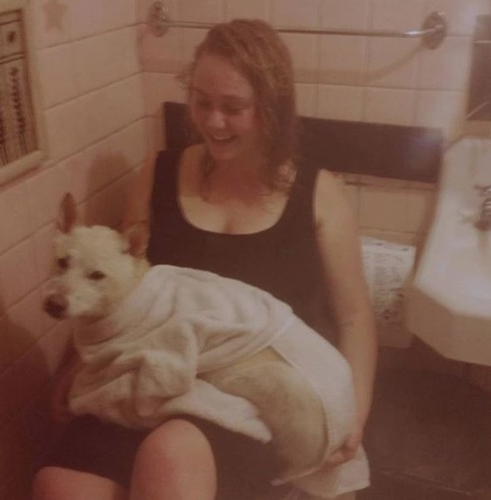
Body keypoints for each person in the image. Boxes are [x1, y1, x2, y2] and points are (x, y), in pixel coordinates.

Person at [32, 19, 377, 500]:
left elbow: (355, 317)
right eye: (201, 101)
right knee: (59, 486)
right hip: (149, 374)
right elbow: (119, 284)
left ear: (271, 107)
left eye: (233, 108)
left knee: (170, 457)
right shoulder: (159, 172)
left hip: (247, 392)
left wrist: (351, 415)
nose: (213, 122)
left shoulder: (319, 195)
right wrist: (76, 363)